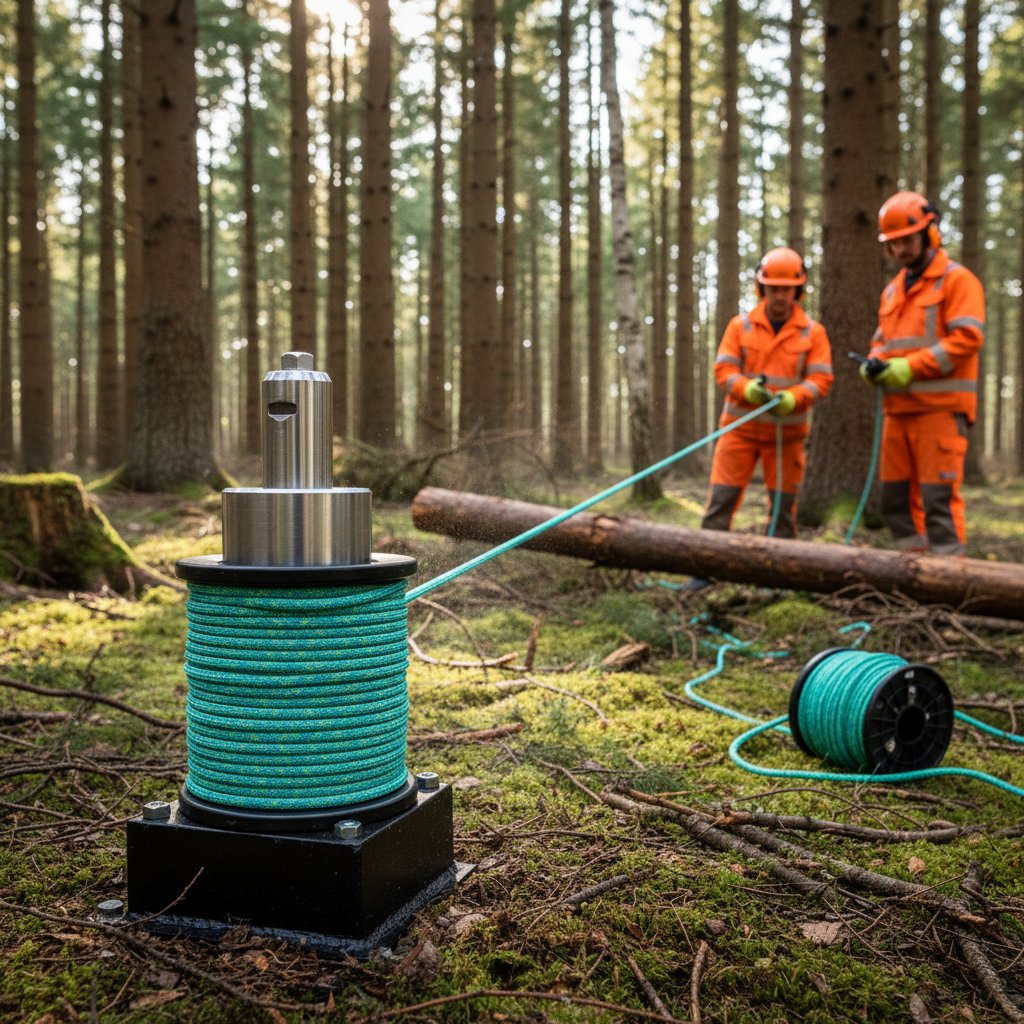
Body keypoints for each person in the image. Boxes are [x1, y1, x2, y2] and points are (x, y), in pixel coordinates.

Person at [861, 191, 985, 555]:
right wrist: (875, 364)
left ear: (930, 233)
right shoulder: (892, 292)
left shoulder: (957, 281)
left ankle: (949, 580)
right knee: (895, 501)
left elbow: (967, 338)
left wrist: (909, 367)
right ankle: (912, 575)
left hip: (940, 410)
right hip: (897, 413)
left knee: (938, 502)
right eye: (894, 243)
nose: (901, 250)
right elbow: (881, 341)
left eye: (907, 240)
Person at [701, 247, 834, 539]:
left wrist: (794, 398)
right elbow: (724, 370)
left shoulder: (813, 333)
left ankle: (780, 576)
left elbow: (821, 379)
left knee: (784, 511)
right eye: (774, 288)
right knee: (720, 502)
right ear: (761, 287)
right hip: (739, 432)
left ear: (799, 290)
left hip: (786, 436)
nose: (780, 296)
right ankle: (703, 571)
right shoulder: (740, 326)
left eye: (787, 289)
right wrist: (746, 388)